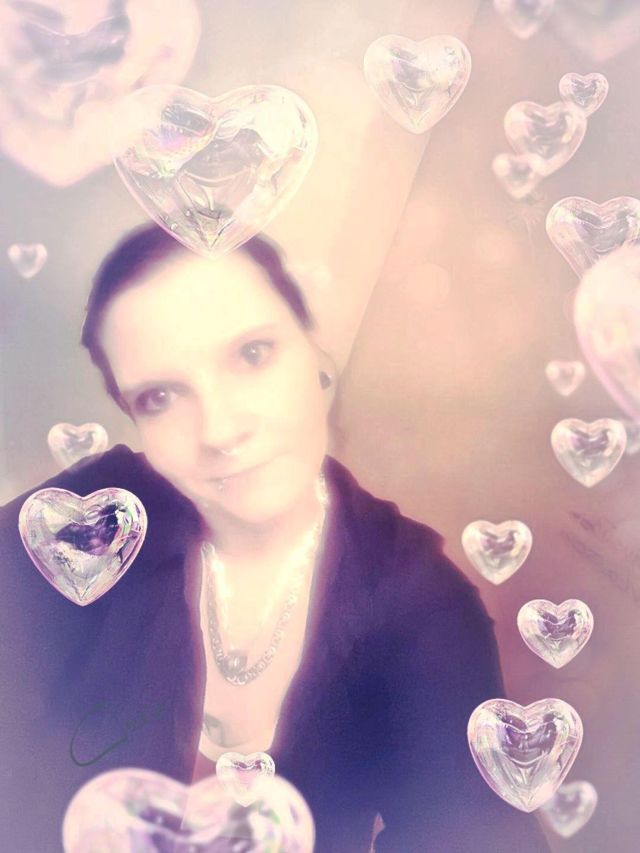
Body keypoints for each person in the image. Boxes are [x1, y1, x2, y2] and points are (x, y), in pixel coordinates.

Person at [0, 222, 551, 852]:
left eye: (253, 354)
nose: (219, 430)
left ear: (315, 353)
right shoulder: (95, 518)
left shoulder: (419, 604)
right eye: (160, 396)